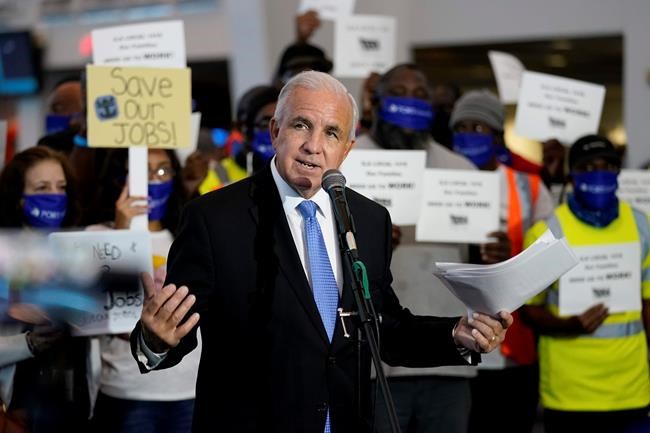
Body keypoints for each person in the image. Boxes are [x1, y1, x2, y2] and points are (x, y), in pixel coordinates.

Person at [129, 71, 513, 433]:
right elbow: (177, 327)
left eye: (331, 133)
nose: (314, 146)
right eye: (301, 125)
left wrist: (454, 334)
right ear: (275, 130)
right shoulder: (213, 219)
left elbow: (383, 326)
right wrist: (156, 338)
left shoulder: (368, 218)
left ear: (347, 148)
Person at [355, 63, 476, 433]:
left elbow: (474, 258)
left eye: (420, 95)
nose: (410, 102)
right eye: (399, 93)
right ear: (376, 103)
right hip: (372, 364)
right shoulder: (347, 164)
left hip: (447, 356)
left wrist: (491, 252)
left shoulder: (462, 171)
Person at [522, 135, 650, 433]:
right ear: (572, 176)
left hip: (632, 390)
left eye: (607, 166)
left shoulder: (642, 226)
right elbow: (528, 311)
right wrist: (570, 326)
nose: (598, 174)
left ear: (619, 172)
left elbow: (647, 304)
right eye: (588, 167)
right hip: (569, 394)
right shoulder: (547, 232)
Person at [449, 89, 554, 433]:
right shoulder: (439, 183)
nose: (468, 136)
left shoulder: (531, 188)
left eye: (478, 128)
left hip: (512, 345)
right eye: (461, 128)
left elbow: (553, 261)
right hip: (454, 342)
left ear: (498, 137)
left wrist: (515, 253)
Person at [90, 148, 200, 433]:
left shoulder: (191, 234)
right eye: (143, 171)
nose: (154, 179)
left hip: (190, 391)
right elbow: (105, 310)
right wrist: (122, 229)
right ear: (122, 178)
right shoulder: (98, 235)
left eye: (163, 170)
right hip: (127, 392)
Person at [0, 146, 89, 433]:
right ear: (17, 198)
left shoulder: (81, 252)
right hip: (20, 409)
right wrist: (29, 344)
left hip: (79, 404)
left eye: (61, 187)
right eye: (42, 187)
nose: (55, 195)